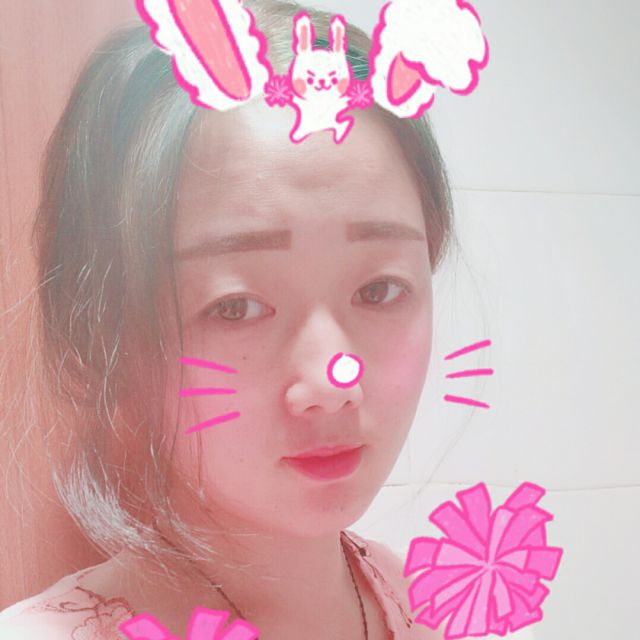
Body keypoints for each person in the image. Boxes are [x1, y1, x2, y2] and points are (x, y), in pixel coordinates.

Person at [0, 1, 458, 638]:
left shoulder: (451, 608)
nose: (334, 383)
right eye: (236, 307)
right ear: (110, 333)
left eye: (379, 290)